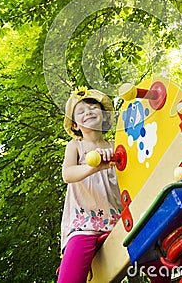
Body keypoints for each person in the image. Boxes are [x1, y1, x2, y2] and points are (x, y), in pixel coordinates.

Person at [57, 87, 122, 283]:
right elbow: (67, 174)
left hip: (119, 220)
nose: (88, 112)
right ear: (76, 125)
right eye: (81, 111)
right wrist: (93, 167)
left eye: (93, 107)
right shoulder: (75, 146)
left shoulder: (116, 146)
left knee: (151, 253)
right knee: (70, 277)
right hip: (84, 222)